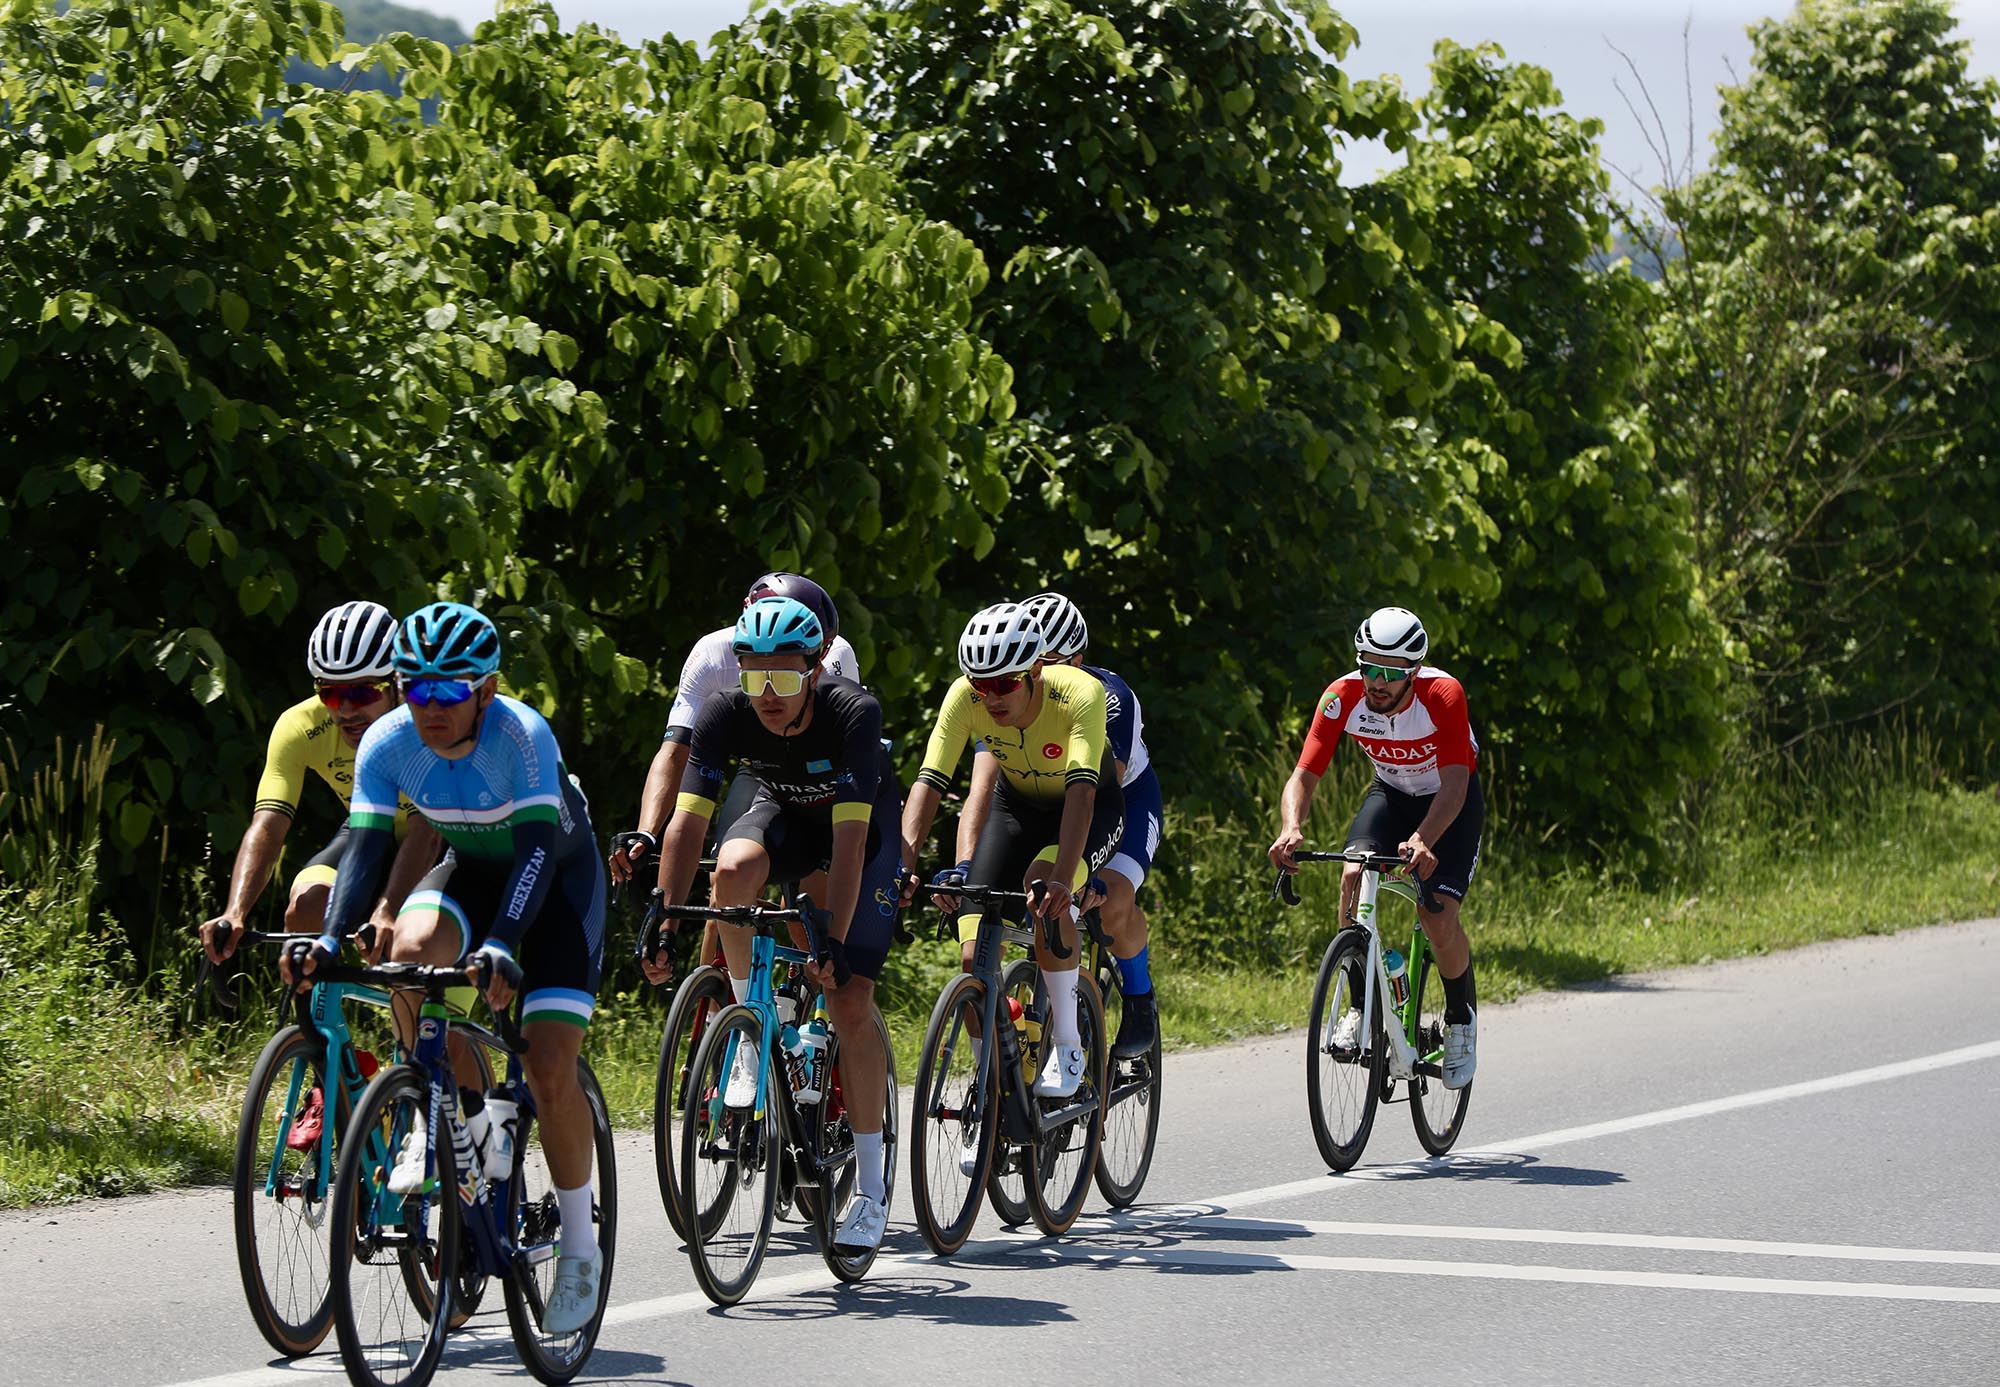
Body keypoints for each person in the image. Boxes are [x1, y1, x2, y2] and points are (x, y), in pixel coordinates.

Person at [293, 601, 610, 1332]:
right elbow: (368, 848)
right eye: (414, 688)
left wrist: (501, 942)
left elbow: (534, 851)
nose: (427, 708)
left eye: (446, 692)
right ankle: (451, 1114)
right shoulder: (388, 739)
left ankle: (581, 1247)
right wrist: (333, 939)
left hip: (556, 883)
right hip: (471, 869)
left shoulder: (521, 736)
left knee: (549, 1066)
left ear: (485, 691)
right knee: (408, 955)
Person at [638, 595, 904, 1252]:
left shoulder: (851, 713)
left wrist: (834, 944)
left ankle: (869, 1190)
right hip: (780, 805)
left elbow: (845, 847)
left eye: (784, 678)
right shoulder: (727, 710)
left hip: (856, 836)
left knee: (848, 998)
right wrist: (663, 916)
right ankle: (751, 1023)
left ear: (815, 669)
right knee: (729, 870)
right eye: (755, 676)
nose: (768, 694)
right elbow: (689, 821)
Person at [900, 602, 1123, 1103]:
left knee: (1046, 884)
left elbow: (1084, 794)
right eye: (981, 684)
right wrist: (903, 864)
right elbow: (930, 782)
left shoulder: (1080, 694)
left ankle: (1068, 1043)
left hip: (1085, 806)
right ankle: (991, 1085)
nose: (991, 696)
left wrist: (1064, 883)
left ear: (1036, 670)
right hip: (1016, 808)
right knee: (971, 953)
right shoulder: (966, 697)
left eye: (1004, 683)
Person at [1268, 606, 1482, 1088]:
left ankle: (1461, 1020)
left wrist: (1425, 839)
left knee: (1437, 915)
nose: (1376, 681)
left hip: (1449, 801)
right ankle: (1361, 1004)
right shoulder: (1343, 696)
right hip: (1391, 795)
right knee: (1352, 873)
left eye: (1390, 672)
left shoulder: (1442, 695)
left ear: (1414, 671)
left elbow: (1453, 787)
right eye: (1368, 666)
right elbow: (1304, 774)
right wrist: (1291, 827)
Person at [956, 591, 1163, 1059]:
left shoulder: (1107, 698)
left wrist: (1081, 872)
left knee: (1111, 900)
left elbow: (1093, 796)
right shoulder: (1008, 698)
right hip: (1042, 805)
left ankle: (1138, 994)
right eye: (1035, 663)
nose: (1043, 675)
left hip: (1121, 800)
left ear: (1078, 660)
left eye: (1053, 662)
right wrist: (967, 865)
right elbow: (981, 794)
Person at [197, 601, 440, 963]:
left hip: (444, 843)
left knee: (415, 948)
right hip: (371, 832)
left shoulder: (428, 725)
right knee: (309, 908)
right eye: (330, 693)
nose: (344, 710)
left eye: (361, 693)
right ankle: (317, 1016)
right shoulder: (300, 726)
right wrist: (236, 912)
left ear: (398, 686)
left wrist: (387, 912)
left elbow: (427, 831)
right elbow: (268, 825)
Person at [607, 572, 859, 886]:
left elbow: (847, 754)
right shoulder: (712, 656)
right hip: (759, 766)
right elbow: (675, 750)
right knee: (725, 876)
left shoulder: (834, 655)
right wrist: (647, 832)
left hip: (820, 774)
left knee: (811, 895)